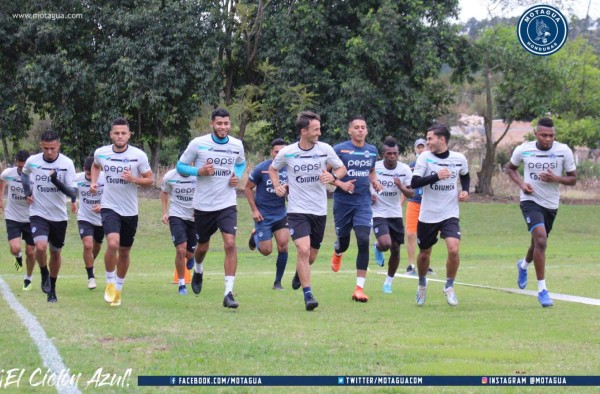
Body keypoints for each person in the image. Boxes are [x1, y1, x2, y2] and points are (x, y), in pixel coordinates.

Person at [269, 111, 346, 311]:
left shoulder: (325, 149)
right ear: (304, 131)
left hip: (319, 210)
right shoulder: (288, 152)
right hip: (297, 210)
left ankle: (299, 274)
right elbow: (273, 169)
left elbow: (342, 169)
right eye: (316, 129)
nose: (319, 133)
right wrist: (278, 185)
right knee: (303, 250)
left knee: (310, 256)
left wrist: (333, 177)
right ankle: (308, 295)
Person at [176, 108, 246, 309]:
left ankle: (228, 292)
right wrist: (199, 171)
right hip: (203, 206)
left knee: (230, 244)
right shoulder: (198, 144)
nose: (223, 127)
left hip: (227, 204)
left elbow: (240, 164)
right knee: (203, 247)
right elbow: (180, 166)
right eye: (219, 124)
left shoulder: (236, 145)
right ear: (212, 124)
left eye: (226, 124)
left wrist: (236, 176)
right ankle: (198, 269)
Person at [506, 117, 576, 307]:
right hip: (530, 200)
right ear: (536, 134)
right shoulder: (523, 149)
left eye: (551, 136)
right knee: (541, 239)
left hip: (551, 204)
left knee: (537, 243)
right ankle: (542, 290)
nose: (547, 139)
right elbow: (510, 169)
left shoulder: (563, 151)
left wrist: (556, 178)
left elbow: (573, 179)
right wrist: (522, 184)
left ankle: (523, 265)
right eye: (544, 135)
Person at [91, 117, 154, 307]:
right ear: (111, 134)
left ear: (129, 135)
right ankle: (109, 282)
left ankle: (118, 288)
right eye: (116, 133)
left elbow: (150, 180)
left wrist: (133, 179)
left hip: (130, 211)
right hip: (109, 206)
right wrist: (94, 182)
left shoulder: (139, 156)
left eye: (123, 133)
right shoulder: (101, 153)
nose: (119, 136)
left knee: (124, 251)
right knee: (112, 243)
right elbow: (95, 166)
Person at [411, 124, 470, 307]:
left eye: (430, 138)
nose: (427, 142)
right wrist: (436, 176)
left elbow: (465, 175)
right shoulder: (424, 158)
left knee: (453, 249)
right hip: (428, 214)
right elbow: (415, 183)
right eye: (427, 139)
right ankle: (422, 284)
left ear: (441, 139)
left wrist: (466, 190)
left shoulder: (459, 158)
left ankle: (449, 286)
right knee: (424, 254)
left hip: (449, 213)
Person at [329, 116, 382, 302]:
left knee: (363, 239)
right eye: (356, 127)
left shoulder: (372, 150)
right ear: (349, 131)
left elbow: (371, 170)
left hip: (363, 203)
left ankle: (359, 288)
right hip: (343, 203)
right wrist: (341, 184)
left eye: (363, 127)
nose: (360, 130)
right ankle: (338, 251)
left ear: (367, 131)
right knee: (343, 242)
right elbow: (325, 173)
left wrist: (374, 182)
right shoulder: (339, 149)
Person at [21, 131, 77, 303]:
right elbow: (24, 174)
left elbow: (72, 193)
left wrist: (56, 181)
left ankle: (52, 288)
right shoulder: (33, 161)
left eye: (52, 148)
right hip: (38, 212)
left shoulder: (67, 164)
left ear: (58, 146)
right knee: (40, 246)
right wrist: (27, 191)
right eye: (46, 148)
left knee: (56, 253)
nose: (49, 152)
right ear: (41, 146)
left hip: (59, 216)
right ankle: (44, 272)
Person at [244, 138, 289, 290]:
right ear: (272, 152)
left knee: (283, 246)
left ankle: (278, 282)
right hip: (263, 215)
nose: (279, 154)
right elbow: (247, 188)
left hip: (281, 214)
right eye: (277, 152)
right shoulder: (262, 168)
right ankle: (255, 235)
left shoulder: (290, 169)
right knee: (266, 251)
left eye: (282, 152)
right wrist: (254, 210)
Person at [371, 137, 414, 294]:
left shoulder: (404, 170)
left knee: (395, 249)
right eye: (388, 153)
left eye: (394, 153)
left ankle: (388, 282)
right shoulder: (374, 168)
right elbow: (365, 186)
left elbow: (411, 193)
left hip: (395, 212)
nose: (392, 156)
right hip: (378, 212)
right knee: (386, 243)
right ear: (383, 154)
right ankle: (377, 246)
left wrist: (401, 186)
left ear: (398, 154)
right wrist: (370, 196)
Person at [0, 150, 36, 290]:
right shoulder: (9, 173)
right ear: (16, 163)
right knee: (15, 248)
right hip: (13, 216)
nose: (21, 169)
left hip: (31, 217)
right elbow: (1, 180)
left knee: (30, 251)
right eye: (19, 166)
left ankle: (28, 278)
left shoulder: (35, 175)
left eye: (24, 166)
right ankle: (18, 258)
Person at [160, 165, 196, 295]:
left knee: (189, 254)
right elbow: (164, 191)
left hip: (194, 217)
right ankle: (182, 284)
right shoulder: (170, 176)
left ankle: (193, 256)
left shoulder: (198, 175)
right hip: (176, 215)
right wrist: (164, 212)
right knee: (181, 249)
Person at [72, 156, 105, 290]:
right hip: (84, 217)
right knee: (87, 246)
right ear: (84, 170)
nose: (91, 178)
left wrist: (102, 206)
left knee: (96, 247)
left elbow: (114, 196)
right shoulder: (77, 178)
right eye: (88, 174)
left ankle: (91, 263)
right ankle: (91, 277)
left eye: (94, 175)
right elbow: (71, 190)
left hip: (102, 219)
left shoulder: (105, 178)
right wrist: (73, 201)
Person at [403, 138, 434, 275]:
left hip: (429, 203)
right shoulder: (410, 167)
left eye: (423, 147)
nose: (421, 149)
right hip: (414, 202)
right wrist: (399, 204)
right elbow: (406, 188)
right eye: (418, 147)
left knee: (428, 236)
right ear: (415, 150)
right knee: (410, 233)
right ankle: (411, 265)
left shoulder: (433, 164)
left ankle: (426, 264)